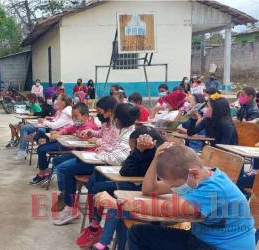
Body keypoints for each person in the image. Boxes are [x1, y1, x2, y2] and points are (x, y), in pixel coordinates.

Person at [95, 144, 255, 250]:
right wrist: (156, 158)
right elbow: (150, 189)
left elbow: (167, 209)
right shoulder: (197, 175)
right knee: (138, 233)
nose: (174, 190)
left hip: (221, 247)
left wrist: (118, 204)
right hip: (203, 241)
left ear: (193, 173)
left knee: (140, 235)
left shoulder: (213, 190)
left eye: (175, 186)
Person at [76, 127, 165, 249]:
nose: (132, 151)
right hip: (139, 190)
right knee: (102, 189)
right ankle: (98, 231)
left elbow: (128, 173)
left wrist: (140, 151)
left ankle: (101, 240)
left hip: (150, 199)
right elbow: (125, 171)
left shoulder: (159, 160)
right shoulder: (143, 155)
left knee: (117, 205)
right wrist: (137, 151)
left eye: (133, 148)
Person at [53, 103, 140, 226]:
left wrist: (101, 148)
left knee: (77, 174)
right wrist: (98, 141)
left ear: (115, 117)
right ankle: (86, 216)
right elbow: (109, 145)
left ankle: (91, 220)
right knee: (77, 173)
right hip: (104, 162)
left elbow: (115, 156)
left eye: (101, 112)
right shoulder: (117, 128)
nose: (100, 115)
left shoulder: (127, 134)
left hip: (113, 167)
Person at [52, 96, 118, 212]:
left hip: (100, 160)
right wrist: (91, 133)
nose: (98, 115)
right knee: (61, 163)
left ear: (109, 111)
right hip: (92, 156)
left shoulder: (117, 127)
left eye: (100, 112)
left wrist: (96, 141)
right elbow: (99, 134)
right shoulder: (105, 124)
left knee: (66, 169)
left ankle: (69, 202)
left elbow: (112, 146)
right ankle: (68, 199)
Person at [29, 102, 98, 185]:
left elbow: (83, 142)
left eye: (76, 116)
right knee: (55, 160)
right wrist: (59, 133)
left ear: (86, 116)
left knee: (60, 165)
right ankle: (65, 181)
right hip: (76, 151)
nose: (73, 118)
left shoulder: (88, 127)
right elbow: (68, 129)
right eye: (72, 116)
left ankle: (64, 187)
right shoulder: (77, 123)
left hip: (85, 155)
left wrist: (60, 136)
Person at [14, 94, 73, 160]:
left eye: (58, 99)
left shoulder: (66, 112)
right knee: (25, 127)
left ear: (63, 102)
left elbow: (55, 125)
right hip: (48, 127)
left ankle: (27, 146)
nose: (56, 101)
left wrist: (44, 121)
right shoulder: (60, 110)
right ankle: (24, 148)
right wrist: (49, 119)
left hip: (54, 132)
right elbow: (55, 119)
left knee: (36, 130)